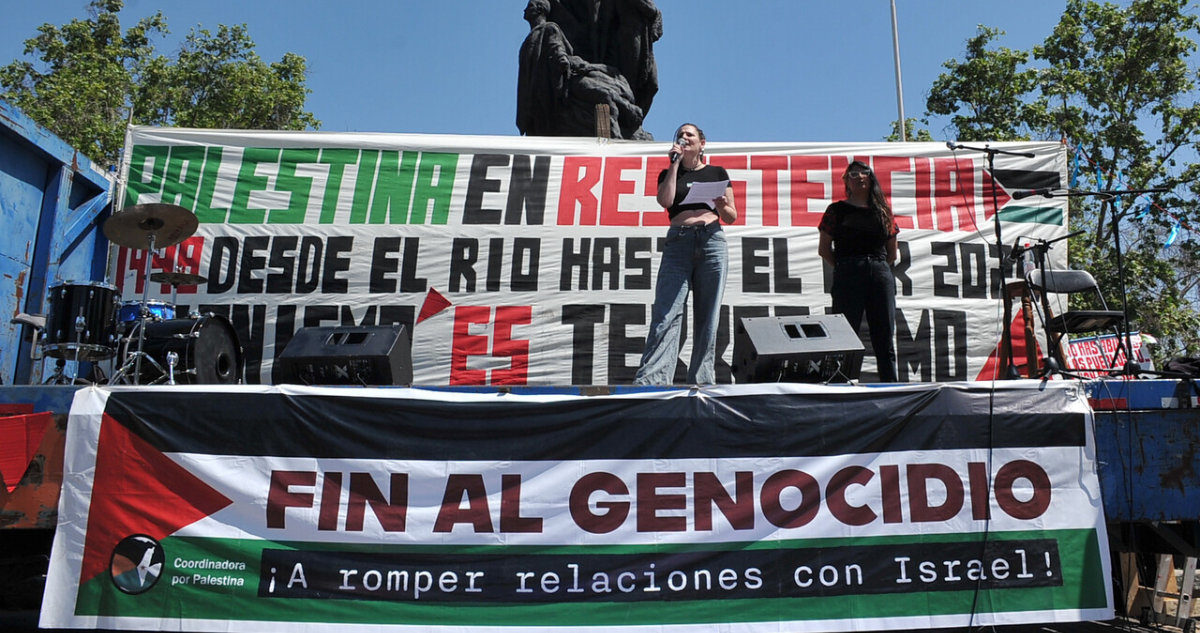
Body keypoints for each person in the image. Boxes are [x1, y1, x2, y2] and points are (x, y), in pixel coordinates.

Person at [634, 123, 737, 385]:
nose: (684, 137)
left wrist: (722, 205)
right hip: (679, 242)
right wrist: (674, 165)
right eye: (680, 134)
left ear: (702, 143)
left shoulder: (716, 172)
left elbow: (731, 216)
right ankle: (653, 380)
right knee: (666, 312)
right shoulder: (670, 172)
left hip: (711, 239)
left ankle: (702, 379)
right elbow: (665, 202)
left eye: (690, 134)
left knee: (708, 314)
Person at [818, 160, 900, 382]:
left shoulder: (883, 211)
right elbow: (824, 250)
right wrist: (846, 268)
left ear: (871, 178)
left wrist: (875, 268)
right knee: (845, 334)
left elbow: (892, 253)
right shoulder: (836, 210)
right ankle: (841, 386)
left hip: (880, 271)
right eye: (853, 174)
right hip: (848, 271)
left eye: (864, 173)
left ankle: (891, 388)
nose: (860, 177)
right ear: (846, 181)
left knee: (884, 336)